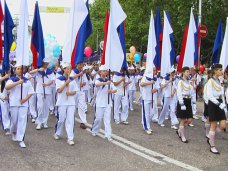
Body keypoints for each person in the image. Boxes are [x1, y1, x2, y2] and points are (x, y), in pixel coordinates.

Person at [5, 64, 35, 148]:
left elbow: (31, 92)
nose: (20, 70)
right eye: (18, 69)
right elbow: (7, 87)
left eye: (21, 69)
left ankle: (21, 139)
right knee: (14, 121)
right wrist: (18, 82)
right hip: (14, 103)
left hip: (23, 104)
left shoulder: (27, 81)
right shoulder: (11, 80)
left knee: (22, 121)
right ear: (15, 70)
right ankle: (14, 132)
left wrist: (25, 100)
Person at [54, 62, 77, 145]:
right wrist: (65, 83)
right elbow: (59, 90)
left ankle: (70, 138)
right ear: (64, 69)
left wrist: (70, 93)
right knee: (61, 119)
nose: (69, 70)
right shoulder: (59, 79)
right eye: (67, 68)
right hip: (62, 102)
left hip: (71, 103)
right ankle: (57, 133)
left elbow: (75, 91)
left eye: (69, 68)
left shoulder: (72, 80)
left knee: (70, 120)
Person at [91, 65, 117, 141]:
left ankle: (108, 135)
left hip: (108, 103)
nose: (105, 72)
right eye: (103, 71)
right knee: (98, 119)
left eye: (105, 71)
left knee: (107, 120)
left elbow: (115, 90)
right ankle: (94, 130)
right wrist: (105, 83)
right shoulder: (98, 80)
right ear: (100, 72)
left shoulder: (109, 81)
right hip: (99, 103)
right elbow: (96, 84)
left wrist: (111, 91)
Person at [30, 58, 55, 130]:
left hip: (47, 90)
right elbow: (30, 73)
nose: (46, 65)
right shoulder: (38, 71)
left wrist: (47, 84)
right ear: (42, 63)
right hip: (40, 90)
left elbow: (52, 80)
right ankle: (39, 122)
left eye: (47, 63)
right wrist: (38, 70)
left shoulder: (50, 72)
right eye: (45, 63)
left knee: (46, 107)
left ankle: (45, 122)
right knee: (40, 106)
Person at [206, 64, 227, 154]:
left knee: (223, 125)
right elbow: (210, 95)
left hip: (220, 104)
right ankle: (212, 146)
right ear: (214, 71)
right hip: (213, 104)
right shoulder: (210, 81)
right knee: (213, 125)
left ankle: (211, 138)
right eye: (219, 70)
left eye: (221, 70)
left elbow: (222, 94)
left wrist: (224, 105)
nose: (221, 71)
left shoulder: (220, 80)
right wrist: (218, 103)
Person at [176, 66, 196, 143]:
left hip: (188, 101)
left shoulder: (188, 82)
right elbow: (179, 93)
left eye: (189, 72)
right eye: (187, 72)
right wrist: (181, 103)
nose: (188, 73)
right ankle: (182, 136)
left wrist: (194, 102)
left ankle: (179, 130)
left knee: (190, 120)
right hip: (183, 101)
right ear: (183, 72)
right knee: (183, 120)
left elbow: (192, 93)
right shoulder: (180, 82)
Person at [70, 63, 87, 129]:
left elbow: (85, 81)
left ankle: (83, 122)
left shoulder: (83, 72)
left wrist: (83, 83)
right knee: (73, 106)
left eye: (82, 65)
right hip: (74, 91)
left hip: (81, 91)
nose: (81, 66)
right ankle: (71, 120)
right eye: (80, 65)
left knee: (82, 106)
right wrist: (79, 75)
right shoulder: (73, 71)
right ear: (77, 65)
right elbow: (71, 78)